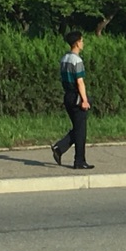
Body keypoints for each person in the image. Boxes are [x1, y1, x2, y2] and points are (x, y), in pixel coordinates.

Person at [50, 31, 92, 169]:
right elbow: (80, 82)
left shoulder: (64, 58)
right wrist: (85, 100)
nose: (83, 43)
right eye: (82, 41)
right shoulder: (77, 60)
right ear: (77, 43)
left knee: (78, 128)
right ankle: (79, 161)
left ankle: (59, 148)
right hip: (76, 97)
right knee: (81, 131)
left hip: (67, 95)